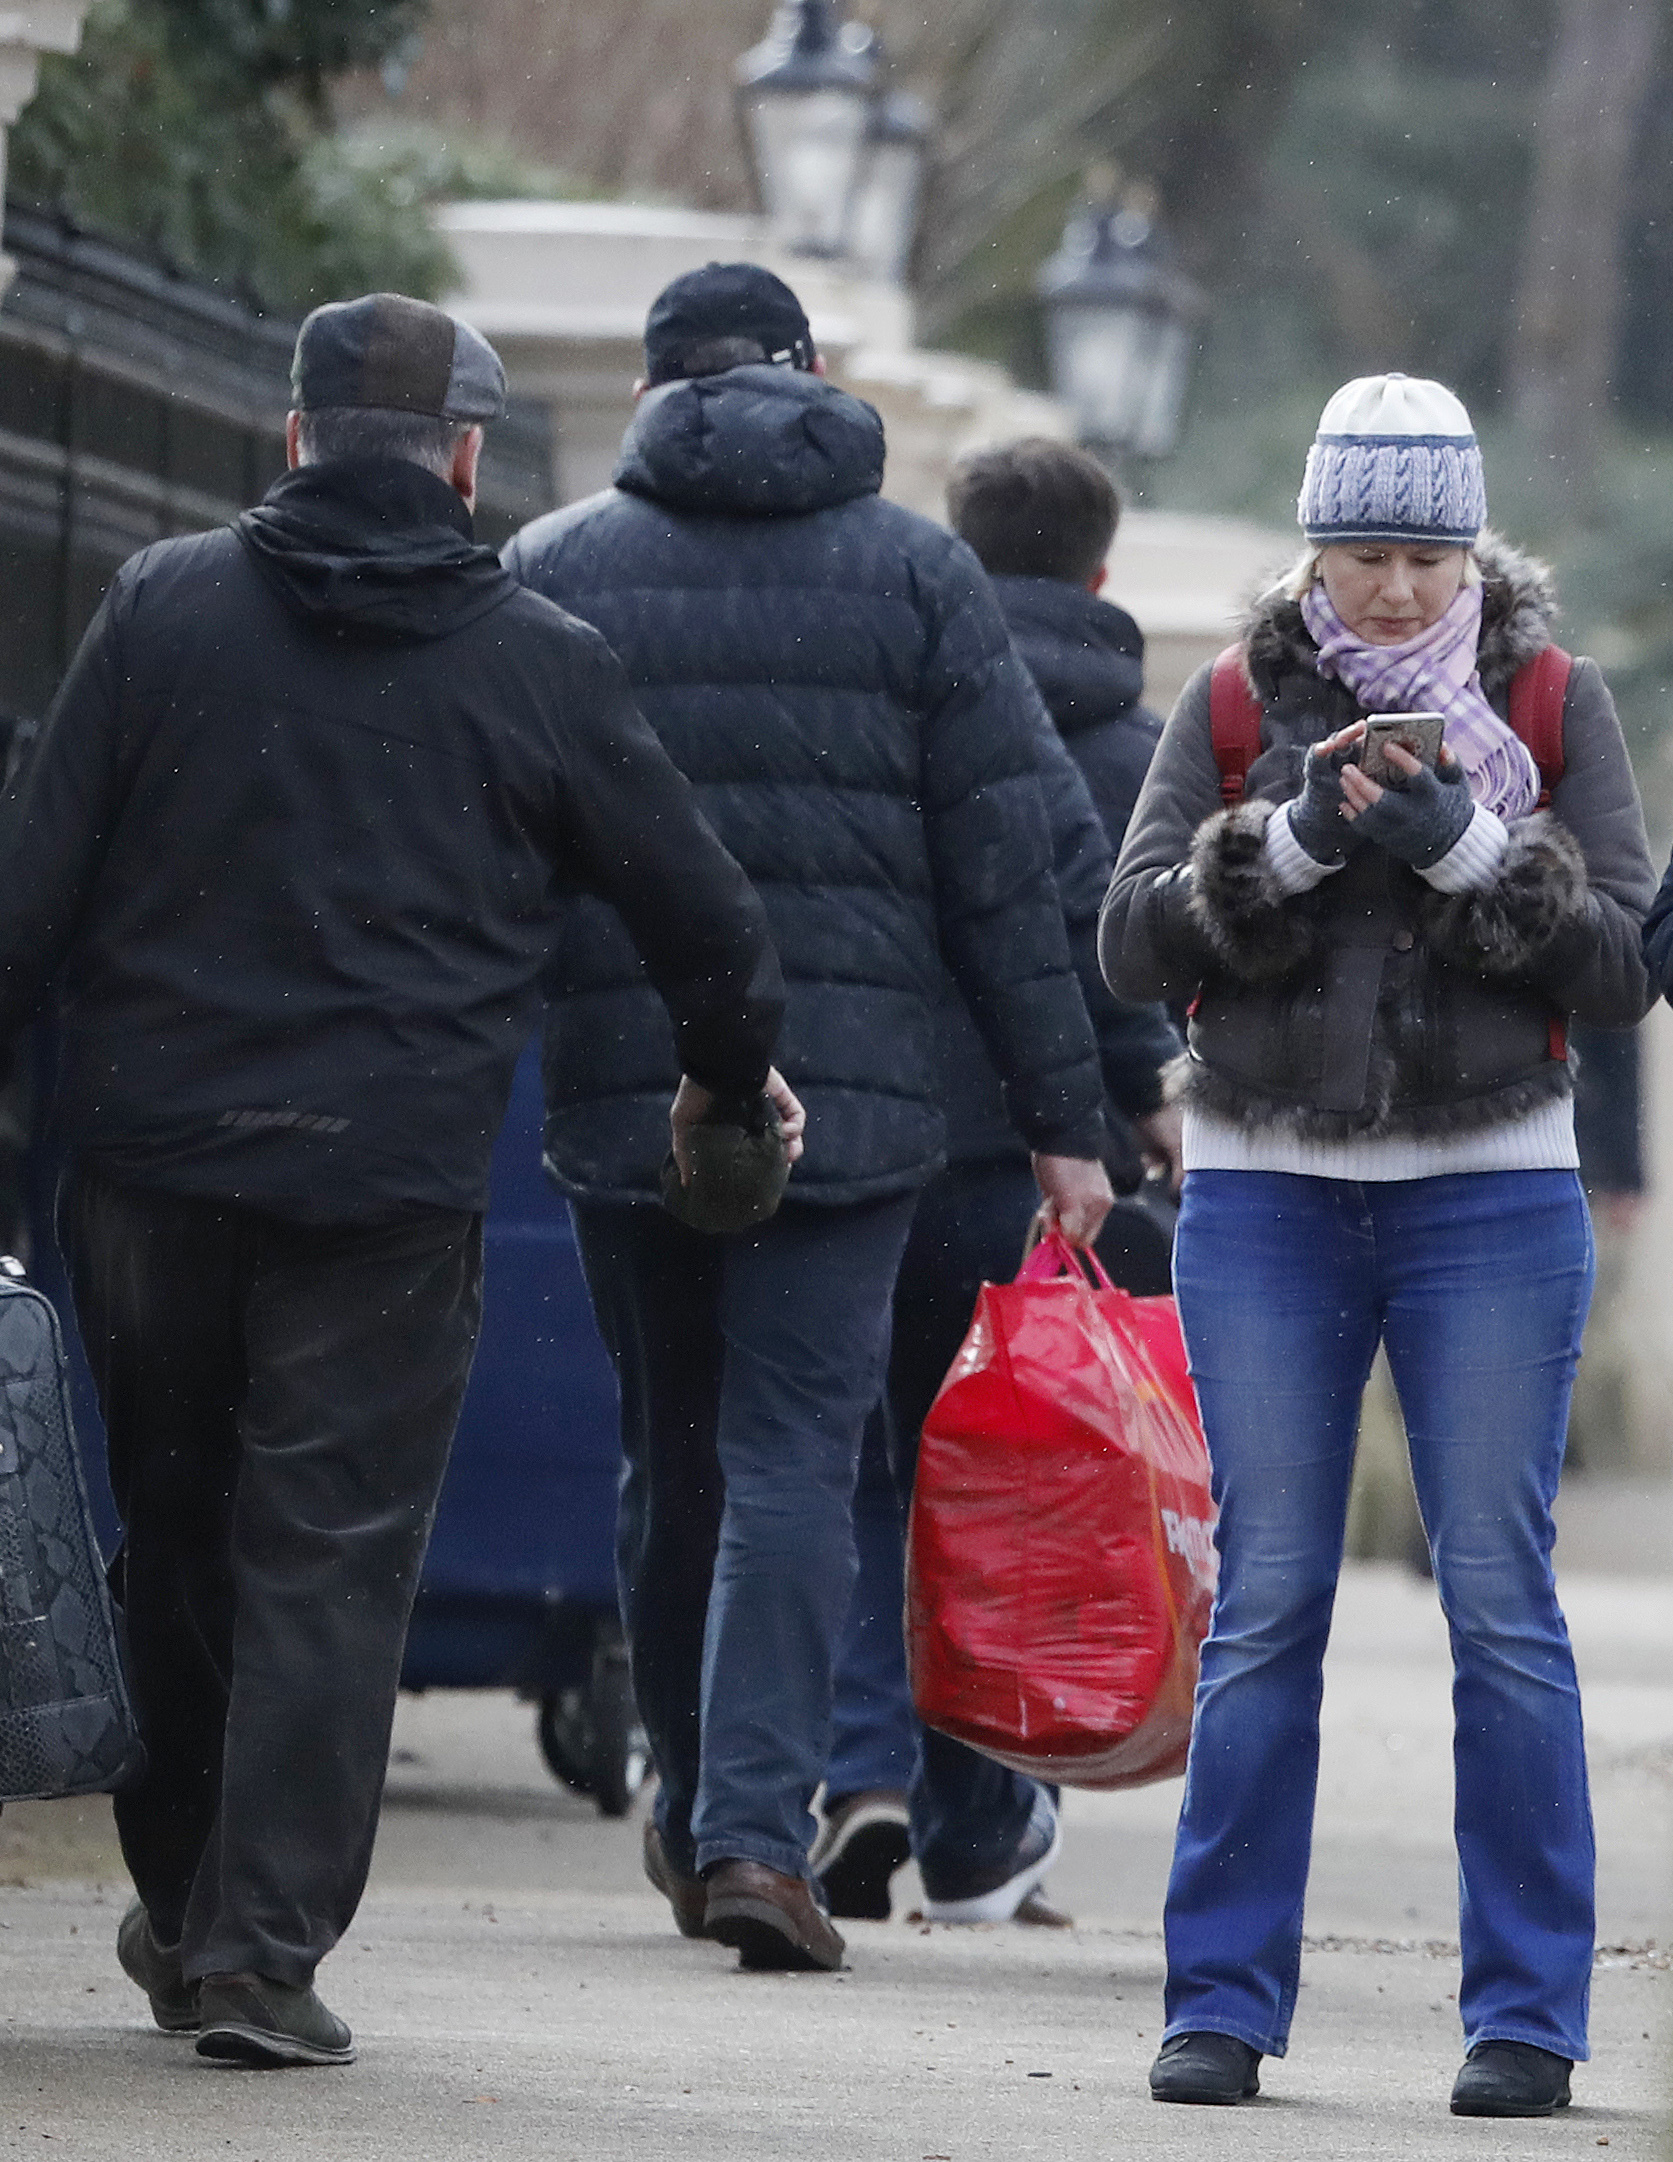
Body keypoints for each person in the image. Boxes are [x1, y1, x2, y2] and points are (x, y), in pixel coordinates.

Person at [0, 294, 790, 2067]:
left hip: (151, 1166)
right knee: (329, 1555)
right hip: (384, 1187)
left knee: (176, 1537)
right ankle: (257, 1947)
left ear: (291, 438)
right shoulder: (539, 660)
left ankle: (194, 1900)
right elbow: (708, 916)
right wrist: (718, 1071)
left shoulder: (162, 613)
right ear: (463, 462)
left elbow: (27, 868)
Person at [506, 265, 1113, 1974]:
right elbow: (1018, 867)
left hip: (630, 1090)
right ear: (815, 373)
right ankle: (757, 1835)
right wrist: (1069, 1122)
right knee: (792, 1449)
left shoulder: (553, 572)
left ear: (645, 389)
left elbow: (496, 855)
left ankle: (701, 1810)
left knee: (667, 1449)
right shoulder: (918, 574)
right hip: (852, 1106)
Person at [1102, 374, 1653, 2116]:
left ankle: (1523, 2020)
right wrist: (1287, 838)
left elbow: (1626, 966)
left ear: (1469, 548)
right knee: (1265, 1601)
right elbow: (1124, 941)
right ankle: (1219, 2001)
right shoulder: (1231, 701)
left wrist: (1466, 841)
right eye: (1361, 552)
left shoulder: (1558, 703)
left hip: (1492, 1194)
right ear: (1312, 548)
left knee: (1497, 1605)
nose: (1395, 589)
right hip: (1264, 1192)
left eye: (1424, 552)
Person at [816, 438, 1185, 1929]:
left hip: (872, 1136)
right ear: (1102, 573)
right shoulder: (1144, 750)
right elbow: (1128, 940)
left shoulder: (898, 695)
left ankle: (859, 1766)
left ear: (955, 554)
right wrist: (1137, 1097)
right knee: (998, 1498)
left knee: (859, 1476)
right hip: (1041, 1163)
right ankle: (979, 1824)